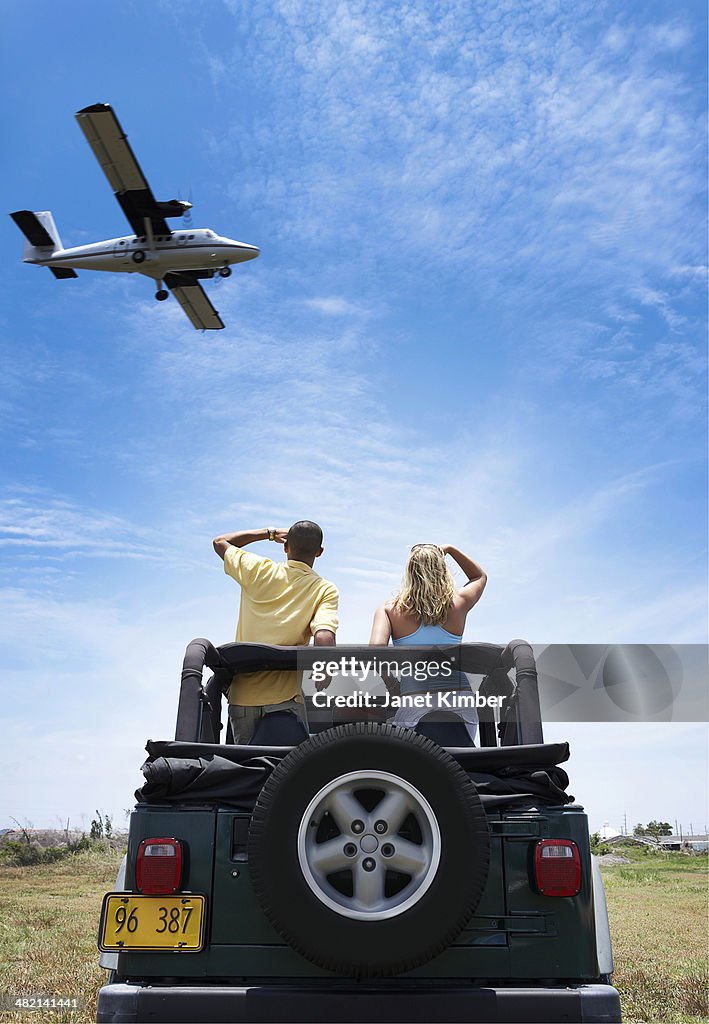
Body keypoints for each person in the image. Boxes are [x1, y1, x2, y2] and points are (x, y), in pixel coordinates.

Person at [213, 521, 338, 743]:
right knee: (288, 770)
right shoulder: (324, 589)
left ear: (285, 547)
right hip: (288, 699)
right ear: (320, 552)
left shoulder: (258, 570)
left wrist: (268, 533)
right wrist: (324, 671)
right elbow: (323, 637)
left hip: (244, 695)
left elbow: (220, 542)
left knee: (245, 770)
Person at [369, 543, 487, 741]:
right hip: (460, 701)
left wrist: (393, 686)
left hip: (414, 700)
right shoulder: (459, 602)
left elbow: (375, 652)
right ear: (442, 569)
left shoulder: (390, 609)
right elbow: (479, 577)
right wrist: (450, 549)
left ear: (410, 571)